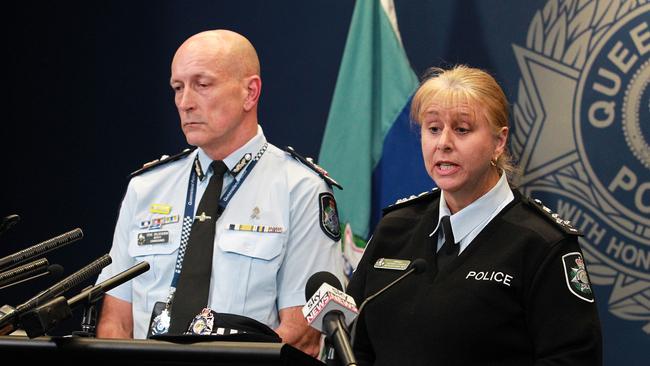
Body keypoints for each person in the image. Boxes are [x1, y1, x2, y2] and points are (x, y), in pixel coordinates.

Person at [95, 29, 343, 356]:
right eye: (177, 87)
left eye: (202, 85)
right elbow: (116, 324)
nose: (185, 103)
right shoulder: (146, 188)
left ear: (250, 93)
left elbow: (301, 336)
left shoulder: (299, 189)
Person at [346, 65, 602, 365]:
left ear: (499, 142)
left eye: (462, 129)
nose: (443, 143)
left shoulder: (542, 244)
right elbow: (353, 347)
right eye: (433, 129)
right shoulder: (395, 229)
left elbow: (572, 359)